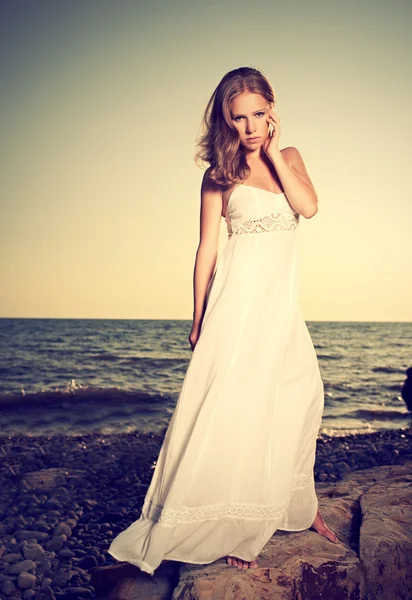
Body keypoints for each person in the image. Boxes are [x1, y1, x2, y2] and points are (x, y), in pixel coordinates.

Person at [107, 66, 339, 576]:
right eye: (240, 118)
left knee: (303, 394)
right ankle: (234, 523)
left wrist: (276, 154)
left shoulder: (290, 158)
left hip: (280, 307)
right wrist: (197, 316)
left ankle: (297, 505)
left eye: (259, 114)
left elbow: (310, 207)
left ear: (272, 111)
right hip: (235, 304)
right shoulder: (218, 174)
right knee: (239, 406)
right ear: (225, 120)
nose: (251, 126)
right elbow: (207, 248)